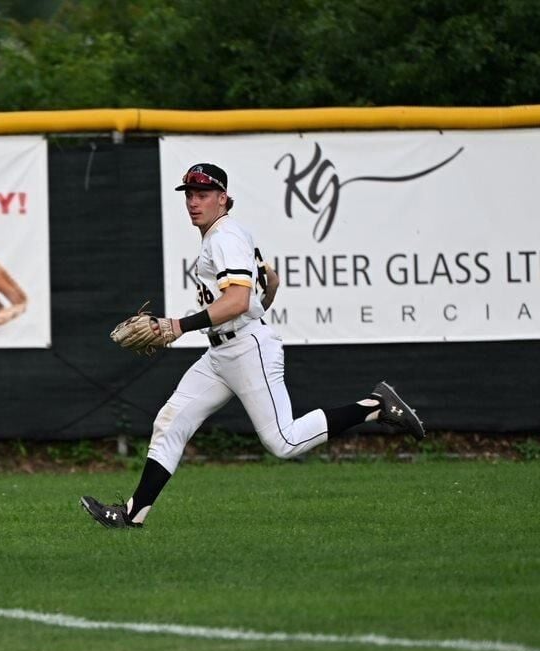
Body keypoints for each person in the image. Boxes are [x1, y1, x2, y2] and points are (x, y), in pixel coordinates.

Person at [80, 162, 425, 529]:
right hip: (221, 353)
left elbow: (238, 302)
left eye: (204, 195)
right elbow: (270, 282)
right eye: (190, 195)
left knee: (284, 442)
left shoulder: (224, 237)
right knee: (171, 421)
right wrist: (252, 311)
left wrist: (180, 325)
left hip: (246, 350)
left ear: (223, 198)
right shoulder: (225, 235)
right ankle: (132, 515)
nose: (194, 203)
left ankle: (375, 406)